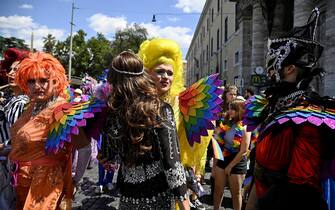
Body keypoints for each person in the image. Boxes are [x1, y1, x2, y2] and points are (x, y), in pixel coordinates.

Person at [243, 8, 335, 210]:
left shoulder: (308, 117)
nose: (269, 72)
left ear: (290, 69)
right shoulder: (275, 106)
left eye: (272, 66)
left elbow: (302, 190)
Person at [138, 38, 224, 209]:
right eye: (160, 71)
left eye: (170, 73)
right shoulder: (138, 103)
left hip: (172, 180)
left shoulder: (182, 103)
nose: (165, 77)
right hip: (142, 180)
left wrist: (194, 169)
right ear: (147, 72)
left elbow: (195, 142)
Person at [8, 51, 100, 209]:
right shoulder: (30, 106)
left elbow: (84, 149)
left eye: (44, 80)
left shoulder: (62, 111)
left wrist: (74, 181)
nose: (37, 86)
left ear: (55, 81)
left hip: (44, 186)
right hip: (21, 184)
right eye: (31, 81)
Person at [101, 51, 189, 209]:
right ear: (143, 76)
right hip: (157, 198)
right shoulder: (159, 109)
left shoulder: (111, 113)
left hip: (128, 198)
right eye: (160, 71)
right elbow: (172, 163)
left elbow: (108, 157)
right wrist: (184, 203)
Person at [0, 48, 29, 210]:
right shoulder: (12, 99)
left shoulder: (21, 102)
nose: (11, 73)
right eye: (10, 69)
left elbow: (19, 139)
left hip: (14, 165)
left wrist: (2, 147)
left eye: (16, 70)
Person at [214, 98, 251, 210]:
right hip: (223, 158)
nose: (230, 111)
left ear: (240, 110)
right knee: (218, 190)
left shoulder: (245, 127)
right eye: (229, 108)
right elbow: (217, 142)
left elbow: (243, 150)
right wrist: (215, 164)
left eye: (233, 109)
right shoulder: (225, 123)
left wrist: (230, 166)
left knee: (236, 194)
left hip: (237, 162)